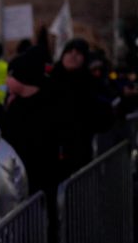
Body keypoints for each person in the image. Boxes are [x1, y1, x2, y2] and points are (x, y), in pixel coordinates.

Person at [48, 38, 114, 176]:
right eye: (69, 51)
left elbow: (103, 117)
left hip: (80, 151)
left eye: (78, 53)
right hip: (52, 150)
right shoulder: (50, 80)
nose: (73, 55)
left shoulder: (90, 85)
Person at [1, 47, 61, 196]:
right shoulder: (15, 102)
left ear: (22, 78)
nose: (6, 81)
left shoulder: (45, 104)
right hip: (22, 172)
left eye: (10, 76)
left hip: (39, 171)